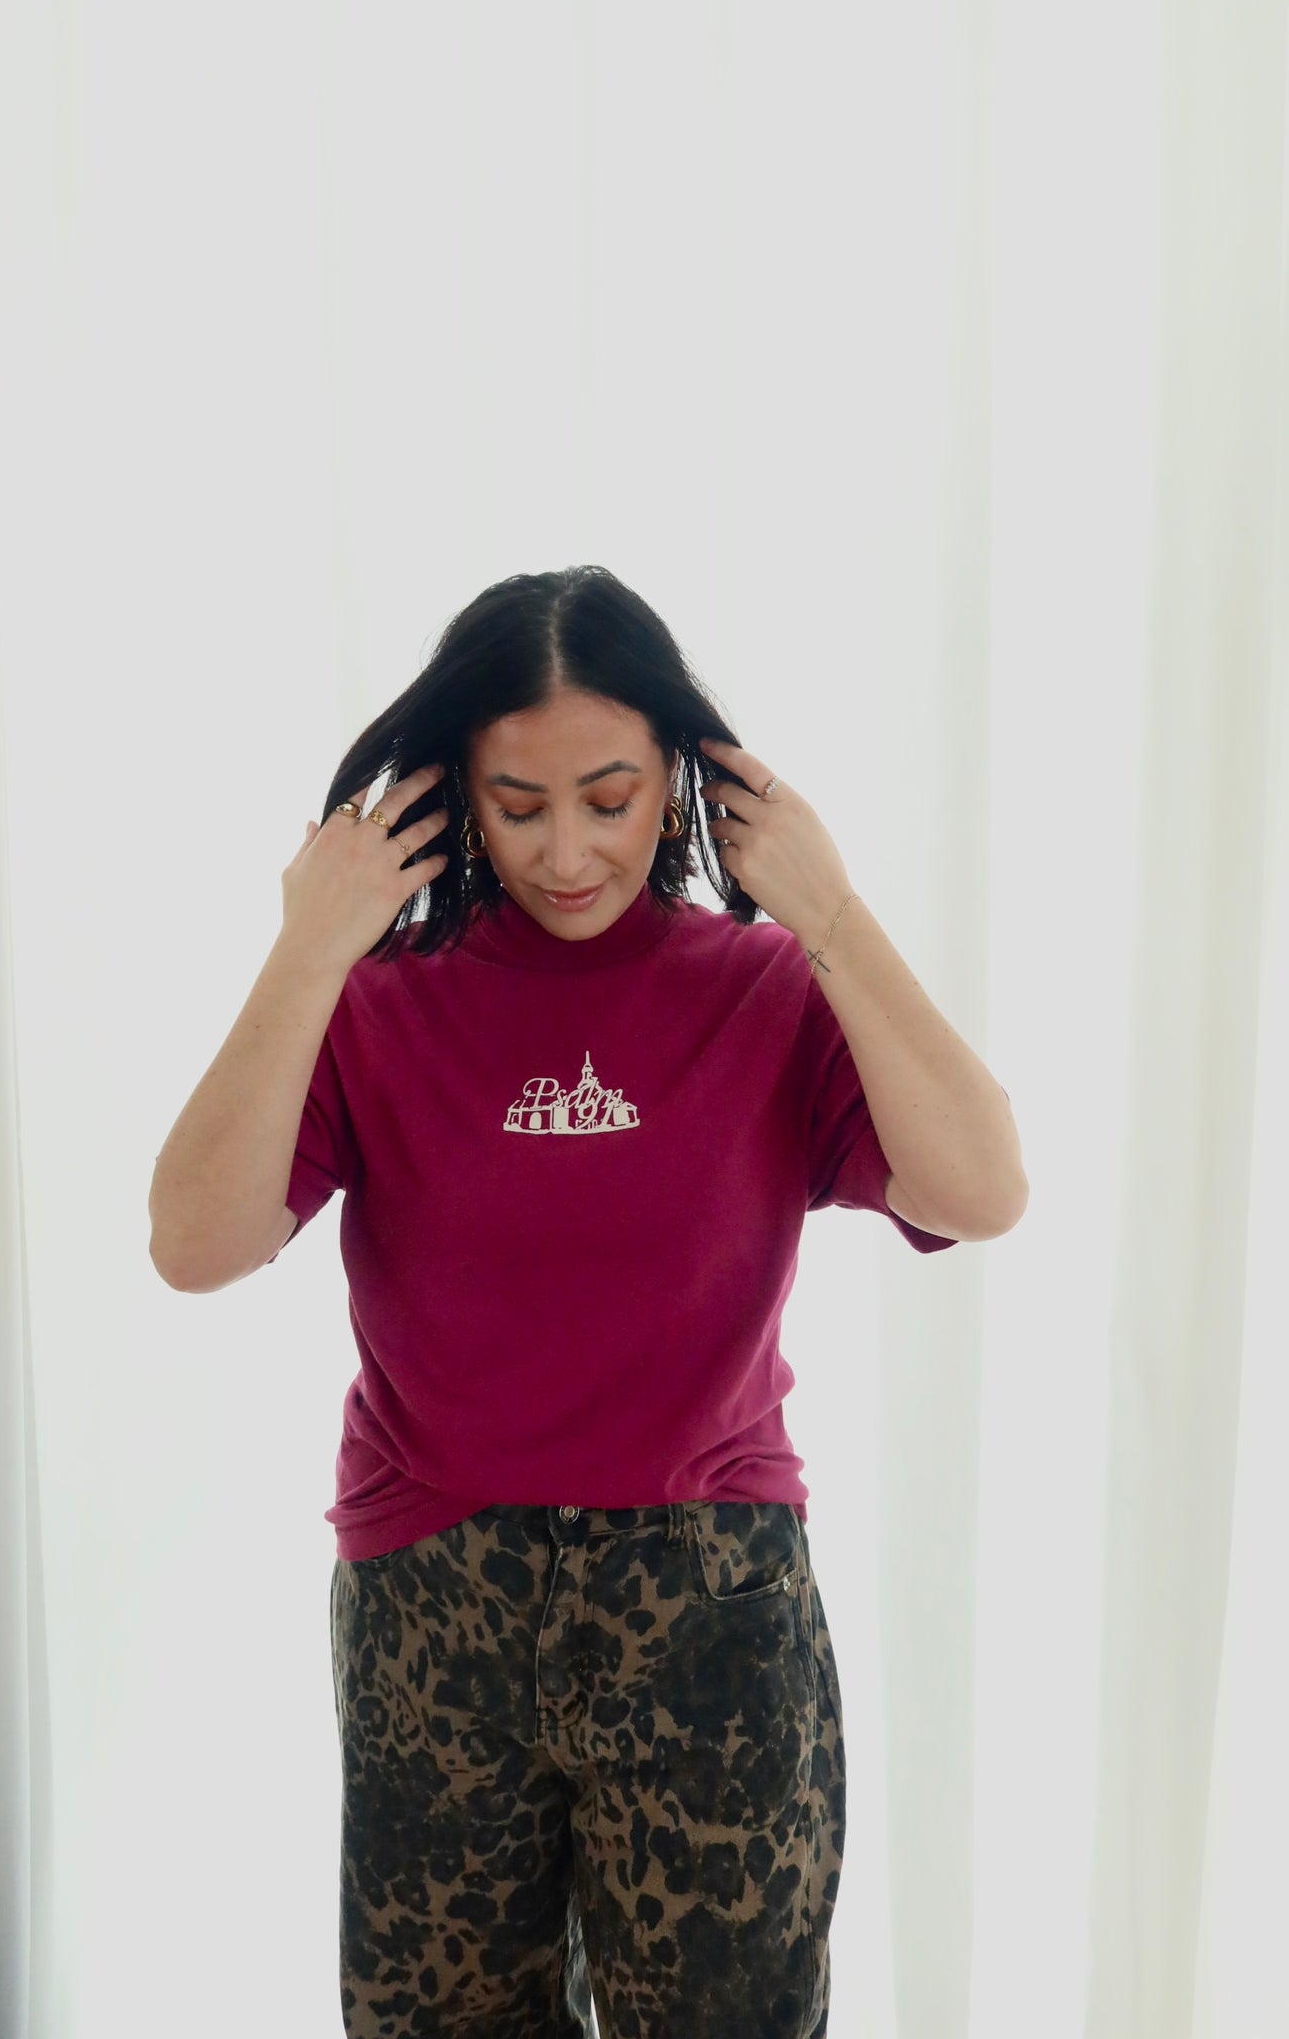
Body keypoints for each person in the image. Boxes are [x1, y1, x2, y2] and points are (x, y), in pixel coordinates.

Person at [148, 565, 1026, 2038]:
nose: (566, 853)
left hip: (709, 1602)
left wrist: (830, 911)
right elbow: (192, 1241)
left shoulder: (763, 992)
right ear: (456, 802)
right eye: (518, 805)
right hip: (436, 1597)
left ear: (679, 780)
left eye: (610, 800)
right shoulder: (381, 1003)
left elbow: (983, 1189)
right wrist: (308, 948)